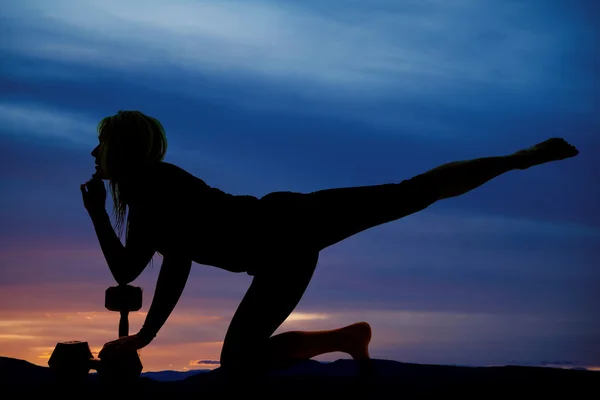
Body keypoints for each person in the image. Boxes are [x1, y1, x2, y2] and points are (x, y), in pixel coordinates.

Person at [82, 110, 578, 376]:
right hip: (285, 246)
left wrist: (98, 213)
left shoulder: (151, 189)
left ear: (121, 148)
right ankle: (345, 338)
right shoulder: (155, 191)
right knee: (238, 360)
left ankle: (518, 158)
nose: (93, 151)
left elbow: (127, 271)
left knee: (412, 192)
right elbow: (175, 263)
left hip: (288, 224)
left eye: (101, 143)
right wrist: (147, 337)